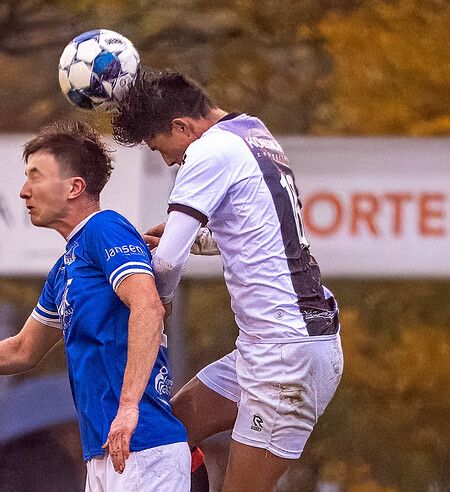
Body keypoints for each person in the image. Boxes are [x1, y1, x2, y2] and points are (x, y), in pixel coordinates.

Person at [0, 121, 191, 491]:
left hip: (144, 445)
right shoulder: (64, 268)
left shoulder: (104, 227)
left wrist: (127, 409)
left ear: (75, 187)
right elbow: (23, 350)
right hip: (106, 452)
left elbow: (149, 308)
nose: (24, 192)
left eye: (35, 177)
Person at [111, 68, 344, 492]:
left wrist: (149, 311)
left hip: (285, 356)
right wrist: (190, 238)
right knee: (168, 435)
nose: (169, 161)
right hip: (272, 346)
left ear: (182, 126)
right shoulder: (251, 130)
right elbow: (247, 231)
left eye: (164, 149)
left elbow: (166, 266)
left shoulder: (209, 152)